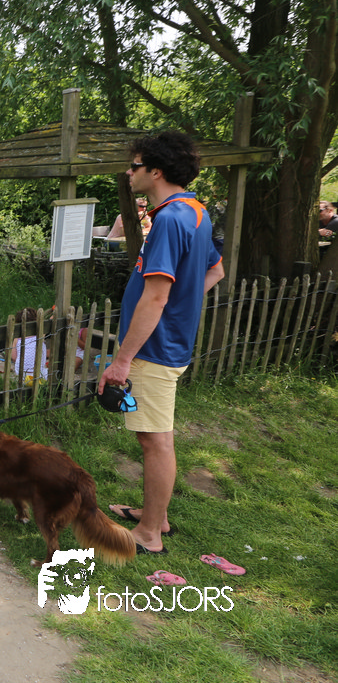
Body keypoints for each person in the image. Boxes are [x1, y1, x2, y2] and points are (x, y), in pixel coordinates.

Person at [99, 131, 224, 555]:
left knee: (155, 440)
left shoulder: (170, 220)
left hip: (154, 350)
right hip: (170, 342)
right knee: (155, 435)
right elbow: (215, 271)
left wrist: (122, 361)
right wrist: (181, 307)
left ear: (156, 171)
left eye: (134, 166)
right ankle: (156, 515)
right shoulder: (195, 211)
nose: (128, 172)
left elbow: (155, 297)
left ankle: (150, 533)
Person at [5, 307, 49, 384]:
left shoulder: (17, 338)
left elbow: (14, 357)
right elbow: (49, 323)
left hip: (21, 374)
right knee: (49, 371)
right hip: (38, 375)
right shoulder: (40, 334)